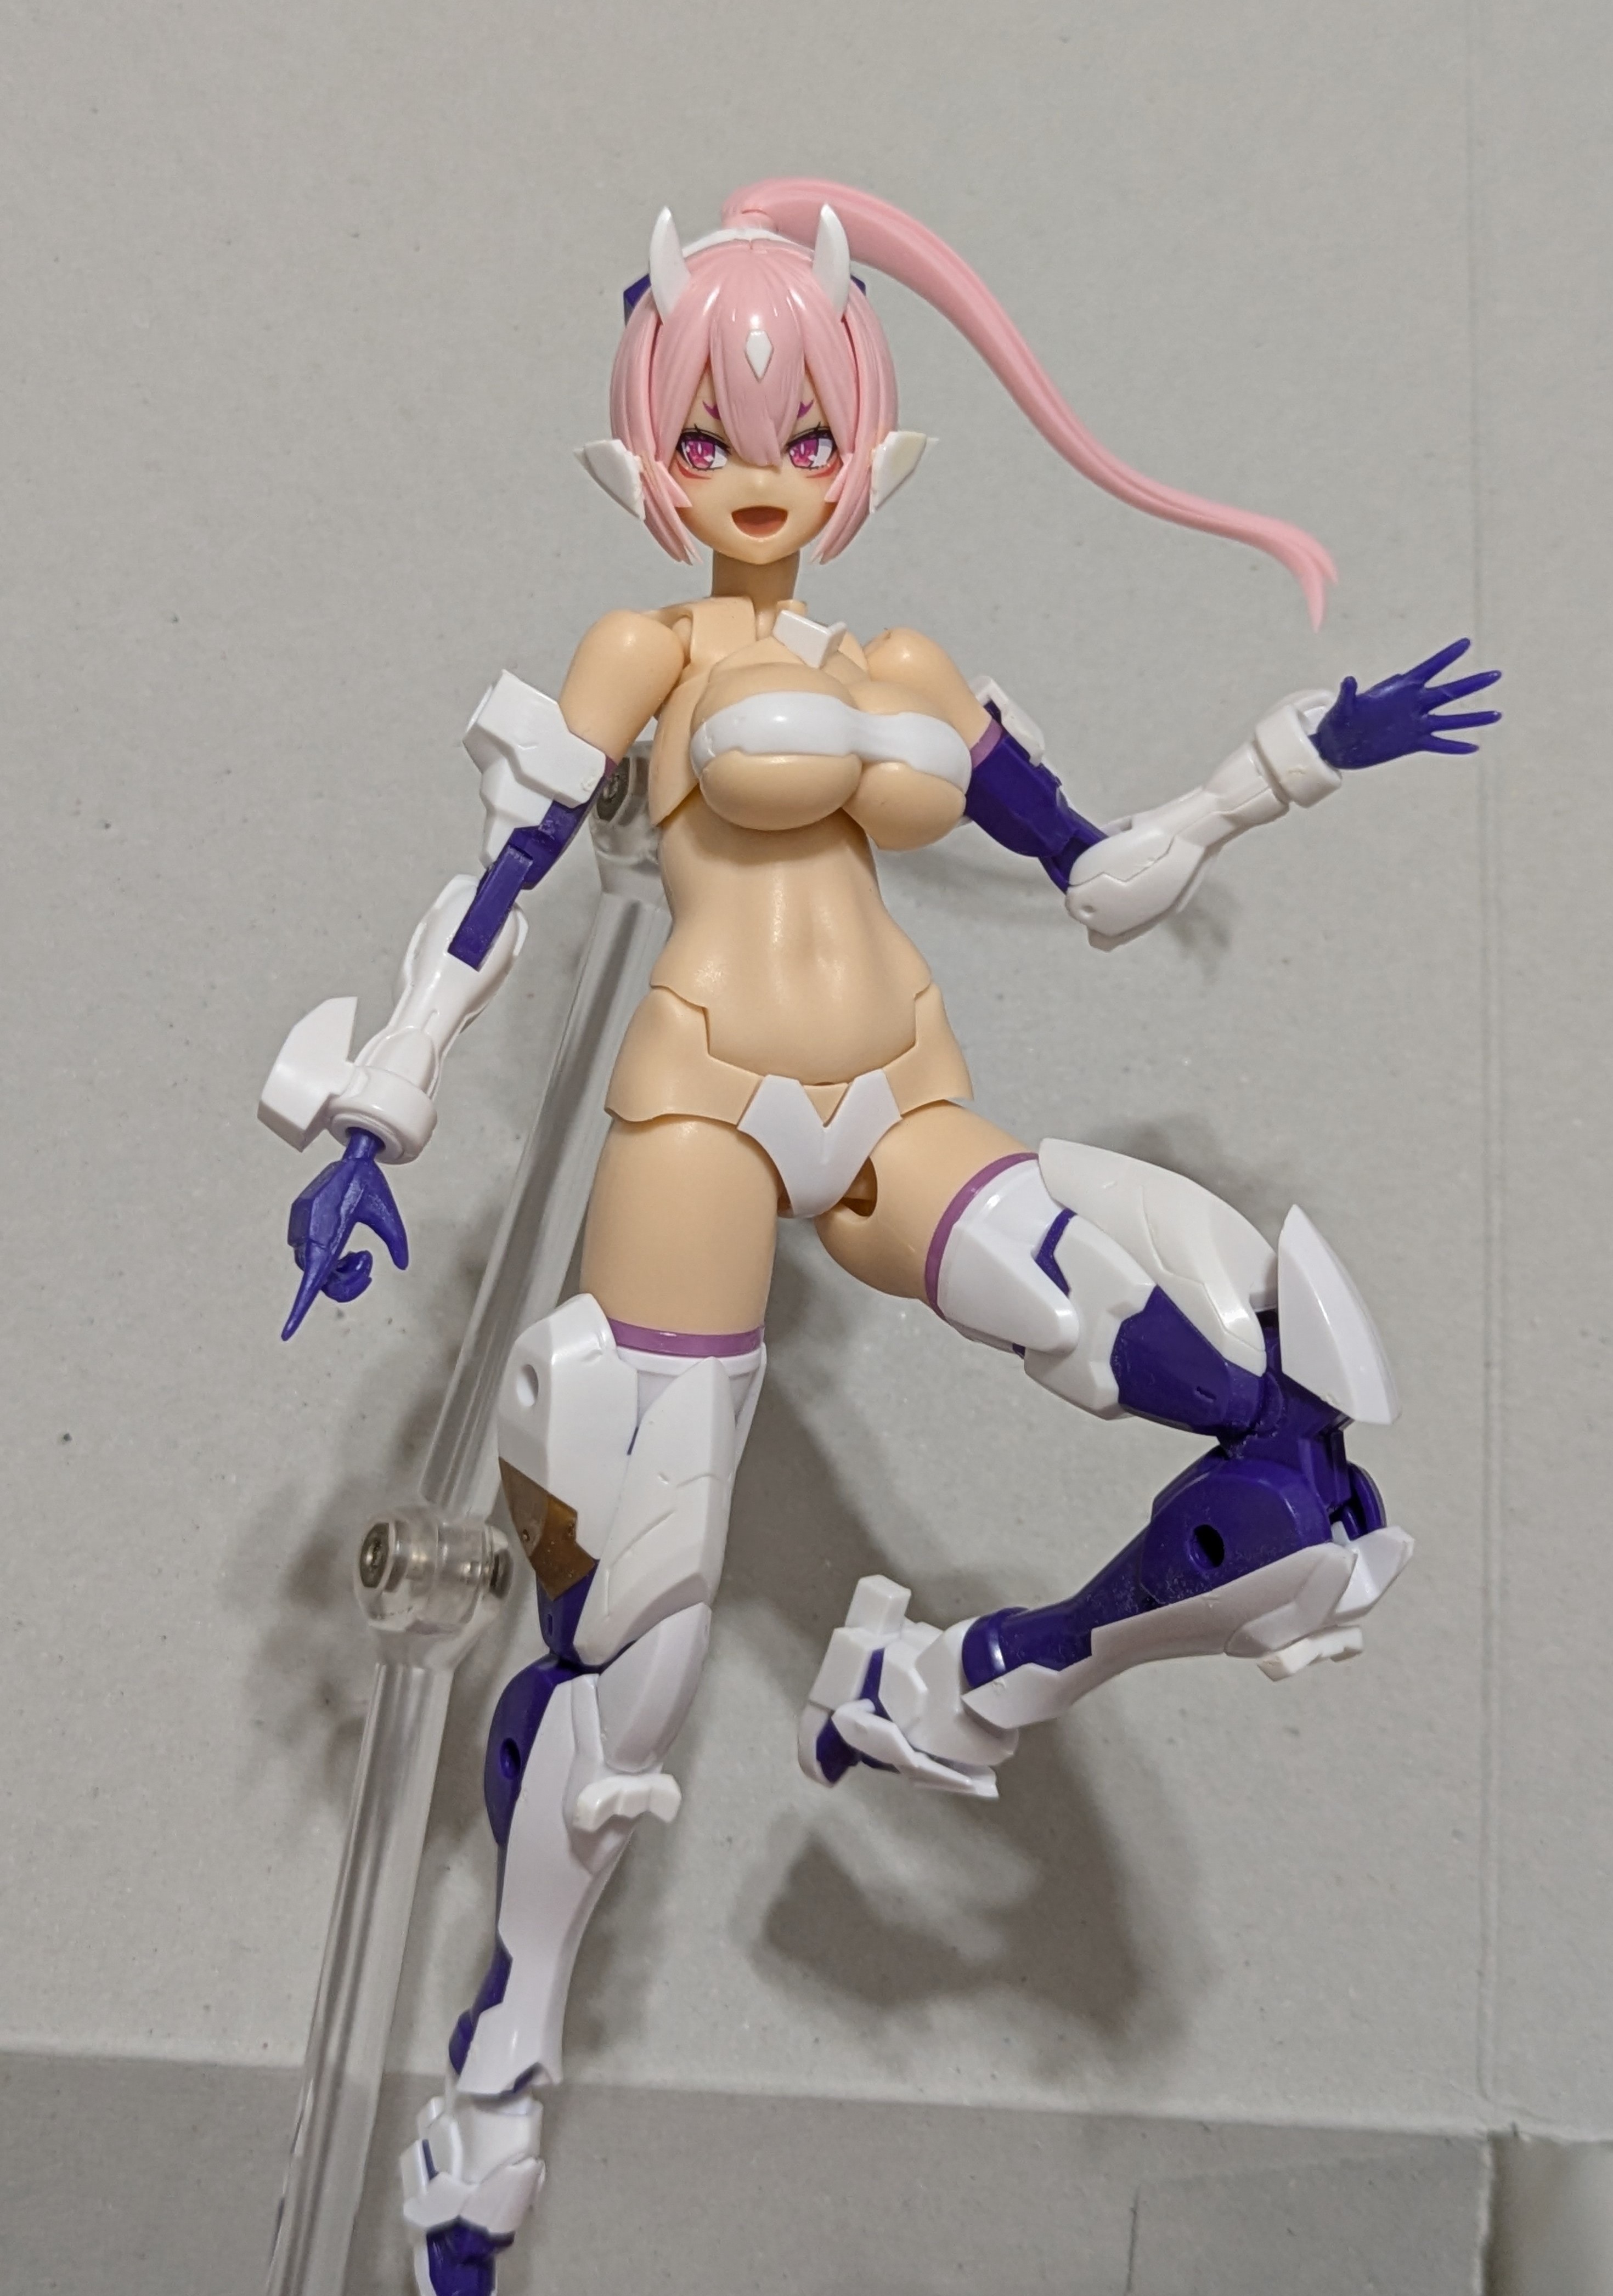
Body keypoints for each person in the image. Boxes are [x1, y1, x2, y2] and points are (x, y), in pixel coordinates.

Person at [258, 180, 1500, 2296]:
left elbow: (1101, 876)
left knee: (1292, 1454)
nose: (758, 475)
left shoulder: (909, 671)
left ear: (864, 447)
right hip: (698, 1118)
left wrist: (1284, 764)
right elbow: (504, 879)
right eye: (712, 434)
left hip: (899, 1113)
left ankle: (965, 1679)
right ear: (648, 452)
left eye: (803, 433)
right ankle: (498, 2083)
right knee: (633, 1652)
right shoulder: (646, 652)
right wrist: (379, 1104)